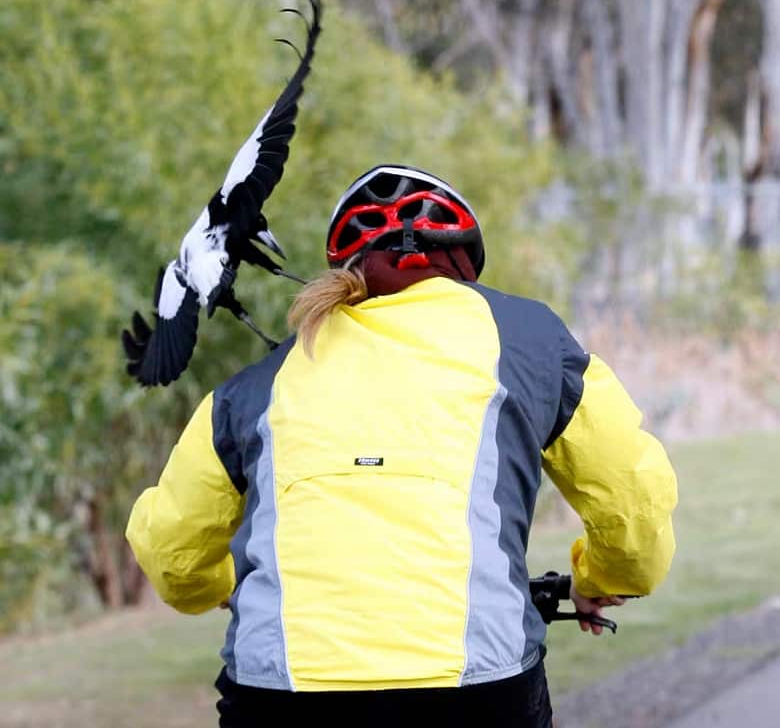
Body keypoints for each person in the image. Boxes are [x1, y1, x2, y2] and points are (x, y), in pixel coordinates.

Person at [125, 164, 678, 727]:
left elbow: (171, 552)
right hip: (476, 691)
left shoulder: (253, 387)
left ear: (349, 269)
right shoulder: (529, 339)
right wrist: (600, 580)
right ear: (460, 265)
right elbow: (633, 504)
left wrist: (218, 585)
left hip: (281, 696)